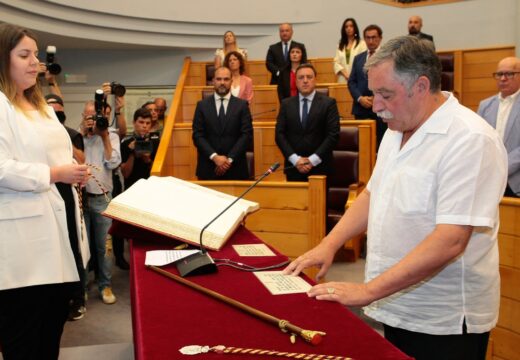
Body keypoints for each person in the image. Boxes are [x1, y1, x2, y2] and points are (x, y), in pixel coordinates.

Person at [285, 36, 507, 360]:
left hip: (442, 320)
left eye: (385, 95)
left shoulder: (470, 139)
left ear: (420, 86)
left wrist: (367, 291)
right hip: (396, 304)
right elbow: (373, 194)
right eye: (375, 94)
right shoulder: (395, 129)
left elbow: (451, 240)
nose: (375, 106)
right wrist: (329, 244)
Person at [0, 23, 90, 358]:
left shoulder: (40, 106)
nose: (35, 62)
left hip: (57, 229)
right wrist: (55, 173)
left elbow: (61, 156)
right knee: (23, 336)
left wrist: (74, 170)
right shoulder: (0, 105)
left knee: (51, 328)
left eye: (35, 55)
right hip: (20, 242)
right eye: (24, 55)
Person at [80, 99, 121, 305]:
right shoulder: (77, 137)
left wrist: (103, 135)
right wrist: (84, 134)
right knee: (82, 247)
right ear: (83, 117)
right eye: (89, 117)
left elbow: (113, 162)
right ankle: (83, 288)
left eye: (96, 117)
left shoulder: (111, 135)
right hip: (80, 199)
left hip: (102, 198)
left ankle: (105, 285)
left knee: (104, 248)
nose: (93, 121)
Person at [275, 63, 340, 182]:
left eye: (309, 77)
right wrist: (295, 160)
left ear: (315, 80)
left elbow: (333, 135)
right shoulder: (286, 104)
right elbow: (279, 135)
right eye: (301, 77)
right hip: (294, 168)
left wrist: (312, 160)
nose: (305, 81)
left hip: (320, 168)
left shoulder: (329, 103)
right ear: (295, 81)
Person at [192, 66, 252, 180]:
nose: (222, 83)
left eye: (226, 79)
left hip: (235, 168)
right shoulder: (201, 106)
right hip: (208, 168)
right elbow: (197, 136)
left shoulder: (242, 105)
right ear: (213, 81)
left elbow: (246, 135)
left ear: (231, 81)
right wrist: (215, 157)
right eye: (219, 79)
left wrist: (228, 160)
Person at [478, 57, 520, 197]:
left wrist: (501, 168)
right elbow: (479, 140)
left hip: (515, 182)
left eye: (509, 74)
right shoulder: (485, 106)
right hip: (489, 181)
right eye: (499, 74)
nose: (503, 78)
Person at [348, 24, 387, 149]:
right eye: (368, 38)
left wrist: (376, 97)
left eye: (374, 37)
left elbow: (392, 81)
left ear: (380, 38)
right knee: (362, 146)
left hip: (382, 108)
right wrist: (360, 98)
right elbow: (351, 82)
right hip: (361, 108)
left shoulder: (389, 57)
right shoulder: (358, 58)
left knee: (382, 144)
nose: (370, 41)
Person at [120, 108, 159, 189]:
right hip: (131, 187)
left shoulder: (155, 142)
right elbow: (125, 174)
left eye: (148, 123)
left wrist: (147, 160)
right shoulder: (126, 143)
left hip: (150, 187)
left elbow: (158, 174)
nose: (144, 126)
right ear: (134, 123)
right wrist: (132, 153)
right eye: (141, 122)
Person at [333, 18, 367, 83]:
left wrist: (352, 76)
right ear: (344, 29)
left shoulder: (362, 44)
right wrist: (346, 75)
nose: (349, 28)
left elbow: (363, 62)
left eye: (351, 26)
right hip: (343, 78)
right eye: (346, 27)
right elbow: (336, 62)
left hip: (357, 78)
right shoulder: (340, 45)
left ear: (355, 28)